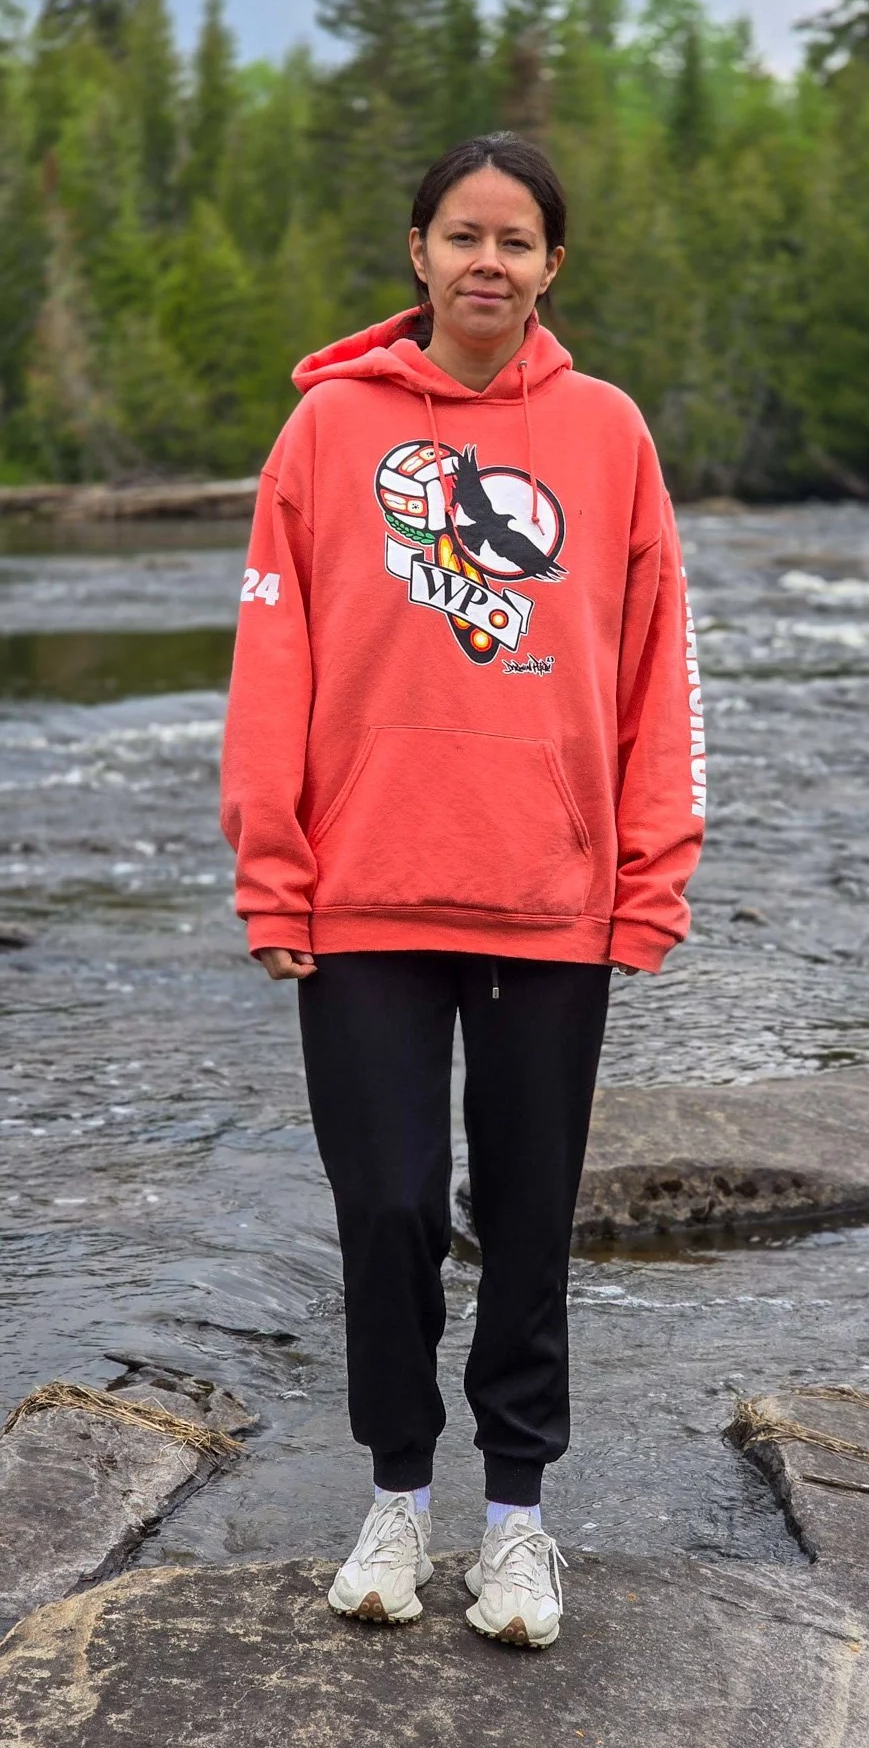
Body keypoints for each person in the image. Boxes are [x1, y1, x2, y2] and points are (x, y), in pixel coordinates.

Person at [220, 132, 706, 1650]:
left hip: (547, 901)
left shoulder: (611, 433)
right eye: (462, 235)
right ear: (418, 254)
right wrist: (274, 875)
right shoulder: (325, 433)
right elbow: (270, 669)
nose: (488, 261)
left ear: (553, 265)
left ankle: (516, 1526)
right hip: (364, 891)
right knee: (383, 1210)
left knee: (533, 1218)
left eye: (518, 239)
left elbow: (655, 667)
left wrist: (647, 872)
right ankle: (393, 1499)